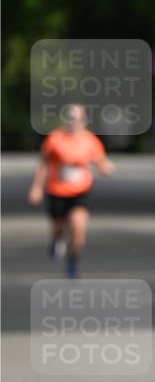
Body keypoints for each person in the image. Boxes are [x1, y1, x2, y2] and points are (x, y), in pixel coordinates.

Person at [28, 104, 115, 278]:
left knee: (78, 228)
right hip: (57, 191)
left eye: (77, 118)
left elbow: (101, 162)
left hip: (80, 191)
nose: (73, 121)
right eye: (70, 118)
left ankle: (72, 261)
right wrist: (36, 188)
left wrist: (106, 168)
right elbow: (43, 164)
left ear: (84, 120)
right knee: (58, 228)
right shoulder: (55, 138)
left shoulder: (90, 140)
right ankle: (56, 240)